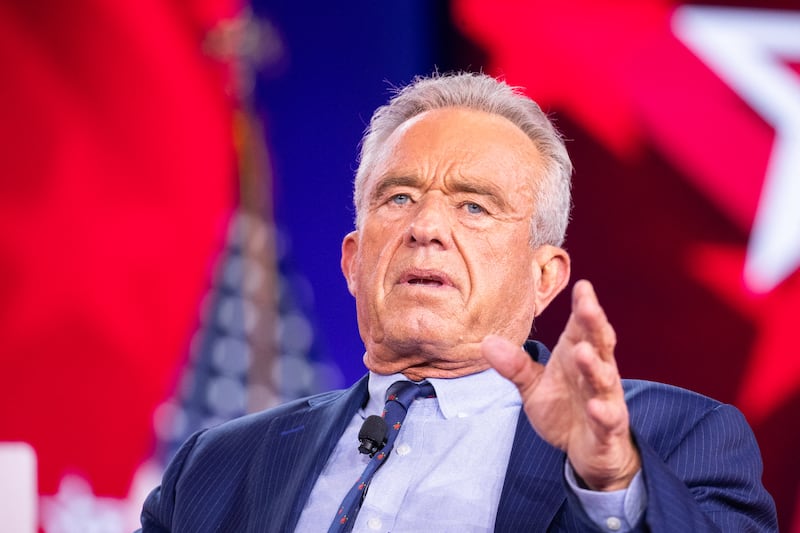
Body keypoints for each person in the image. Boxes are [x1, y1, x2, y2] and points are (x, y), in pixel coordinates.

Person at [138, 72, 777, 532]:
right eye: (399, 197)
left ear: (545, 276)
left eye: (474, 205)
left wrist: (612, 483)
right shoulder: (218, 465)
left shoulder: (671, 439)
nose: (427, 227)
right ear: (354, 262)